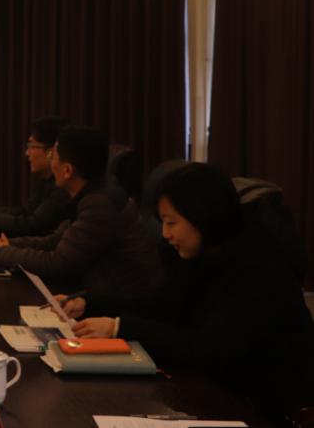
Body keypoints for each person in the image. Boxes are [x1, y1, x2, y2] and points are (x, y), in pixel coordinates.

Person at [61, 163, 314, 421]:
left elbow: (207, 349)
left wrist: (119, 327)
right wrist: (89, 303)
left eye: (171, 223)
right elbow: (161, 305)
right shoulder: (201, 255)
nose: (165, 234)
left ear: (204, 217)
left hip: (266, 408)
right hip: (217, 390)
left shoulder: (257, 270)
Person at [0, 125, 160, 299]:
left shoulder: (99, 204)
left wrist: (1, 253)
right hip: (99, 294)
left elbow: (58, 262)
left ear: (67, 170)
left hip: (121, 305)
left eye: (53, 156)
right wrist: (9, 244)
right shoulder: (93, 194)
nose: (51, 163)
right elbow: (57, 240)